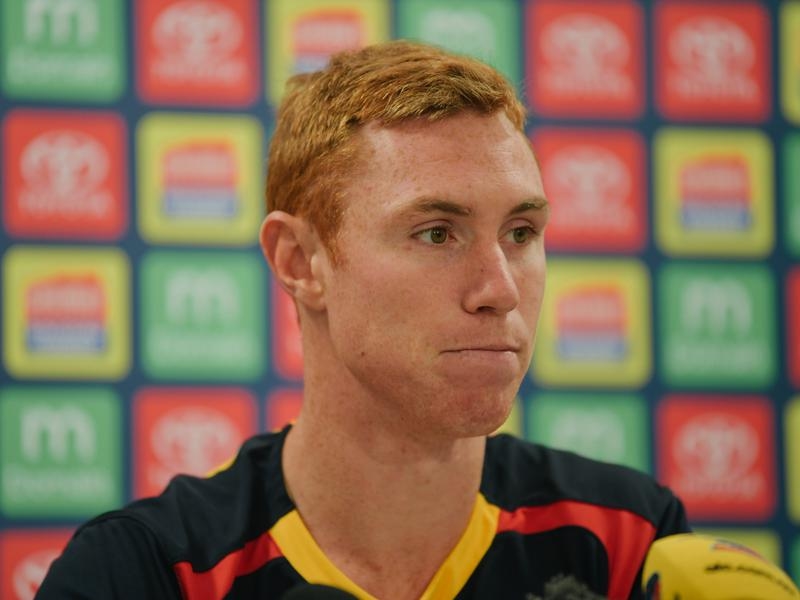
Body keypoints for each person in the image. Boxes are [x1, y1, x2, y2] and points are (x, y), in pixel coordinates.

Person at [36, 40, 689, 600]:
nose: (500, 290)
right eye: (437, 233)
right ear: (300, 261)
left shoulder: (631, 545)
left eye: (521, 232)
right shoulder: (146, 575)